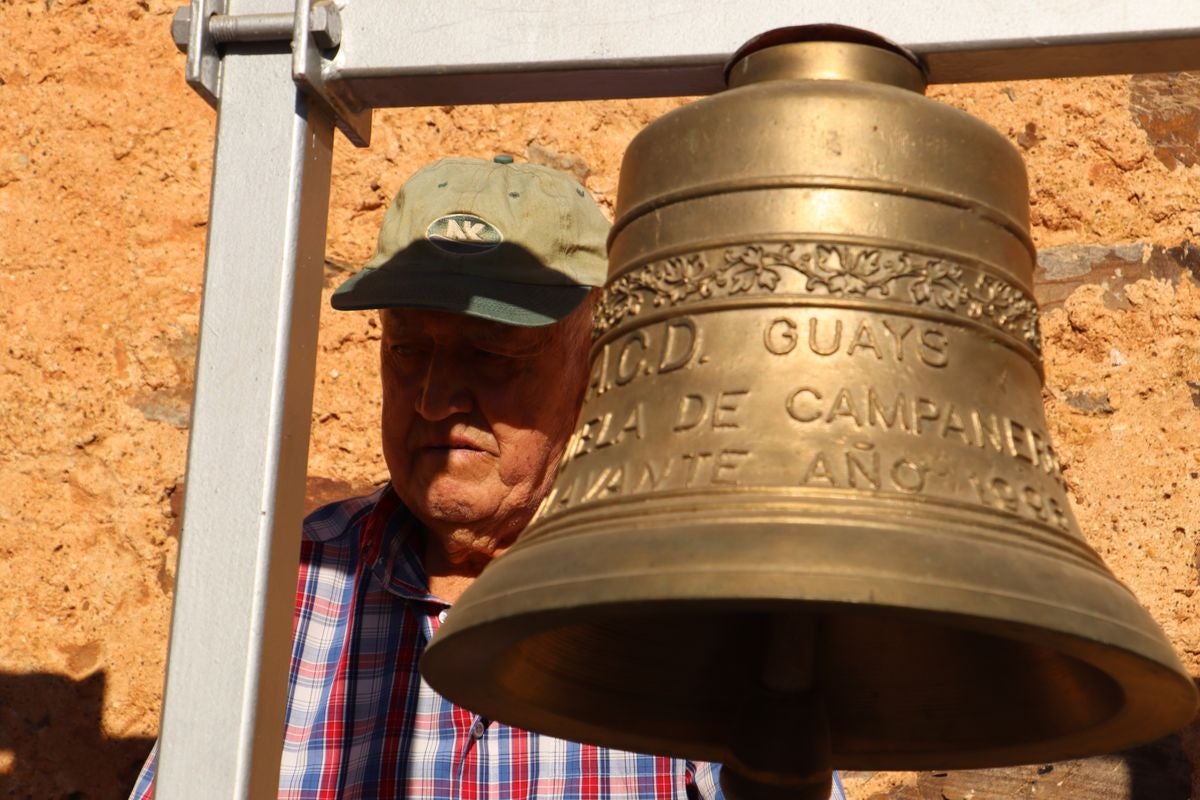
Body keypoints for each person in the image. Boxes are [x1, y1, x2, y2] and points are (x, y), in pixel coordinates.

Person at [131, 156, 846, 799]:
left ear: (595, 363)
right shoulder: (281, 592)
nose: (436, 397)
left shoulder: (688, 603)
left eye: (493, 354)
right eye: (408, 348)